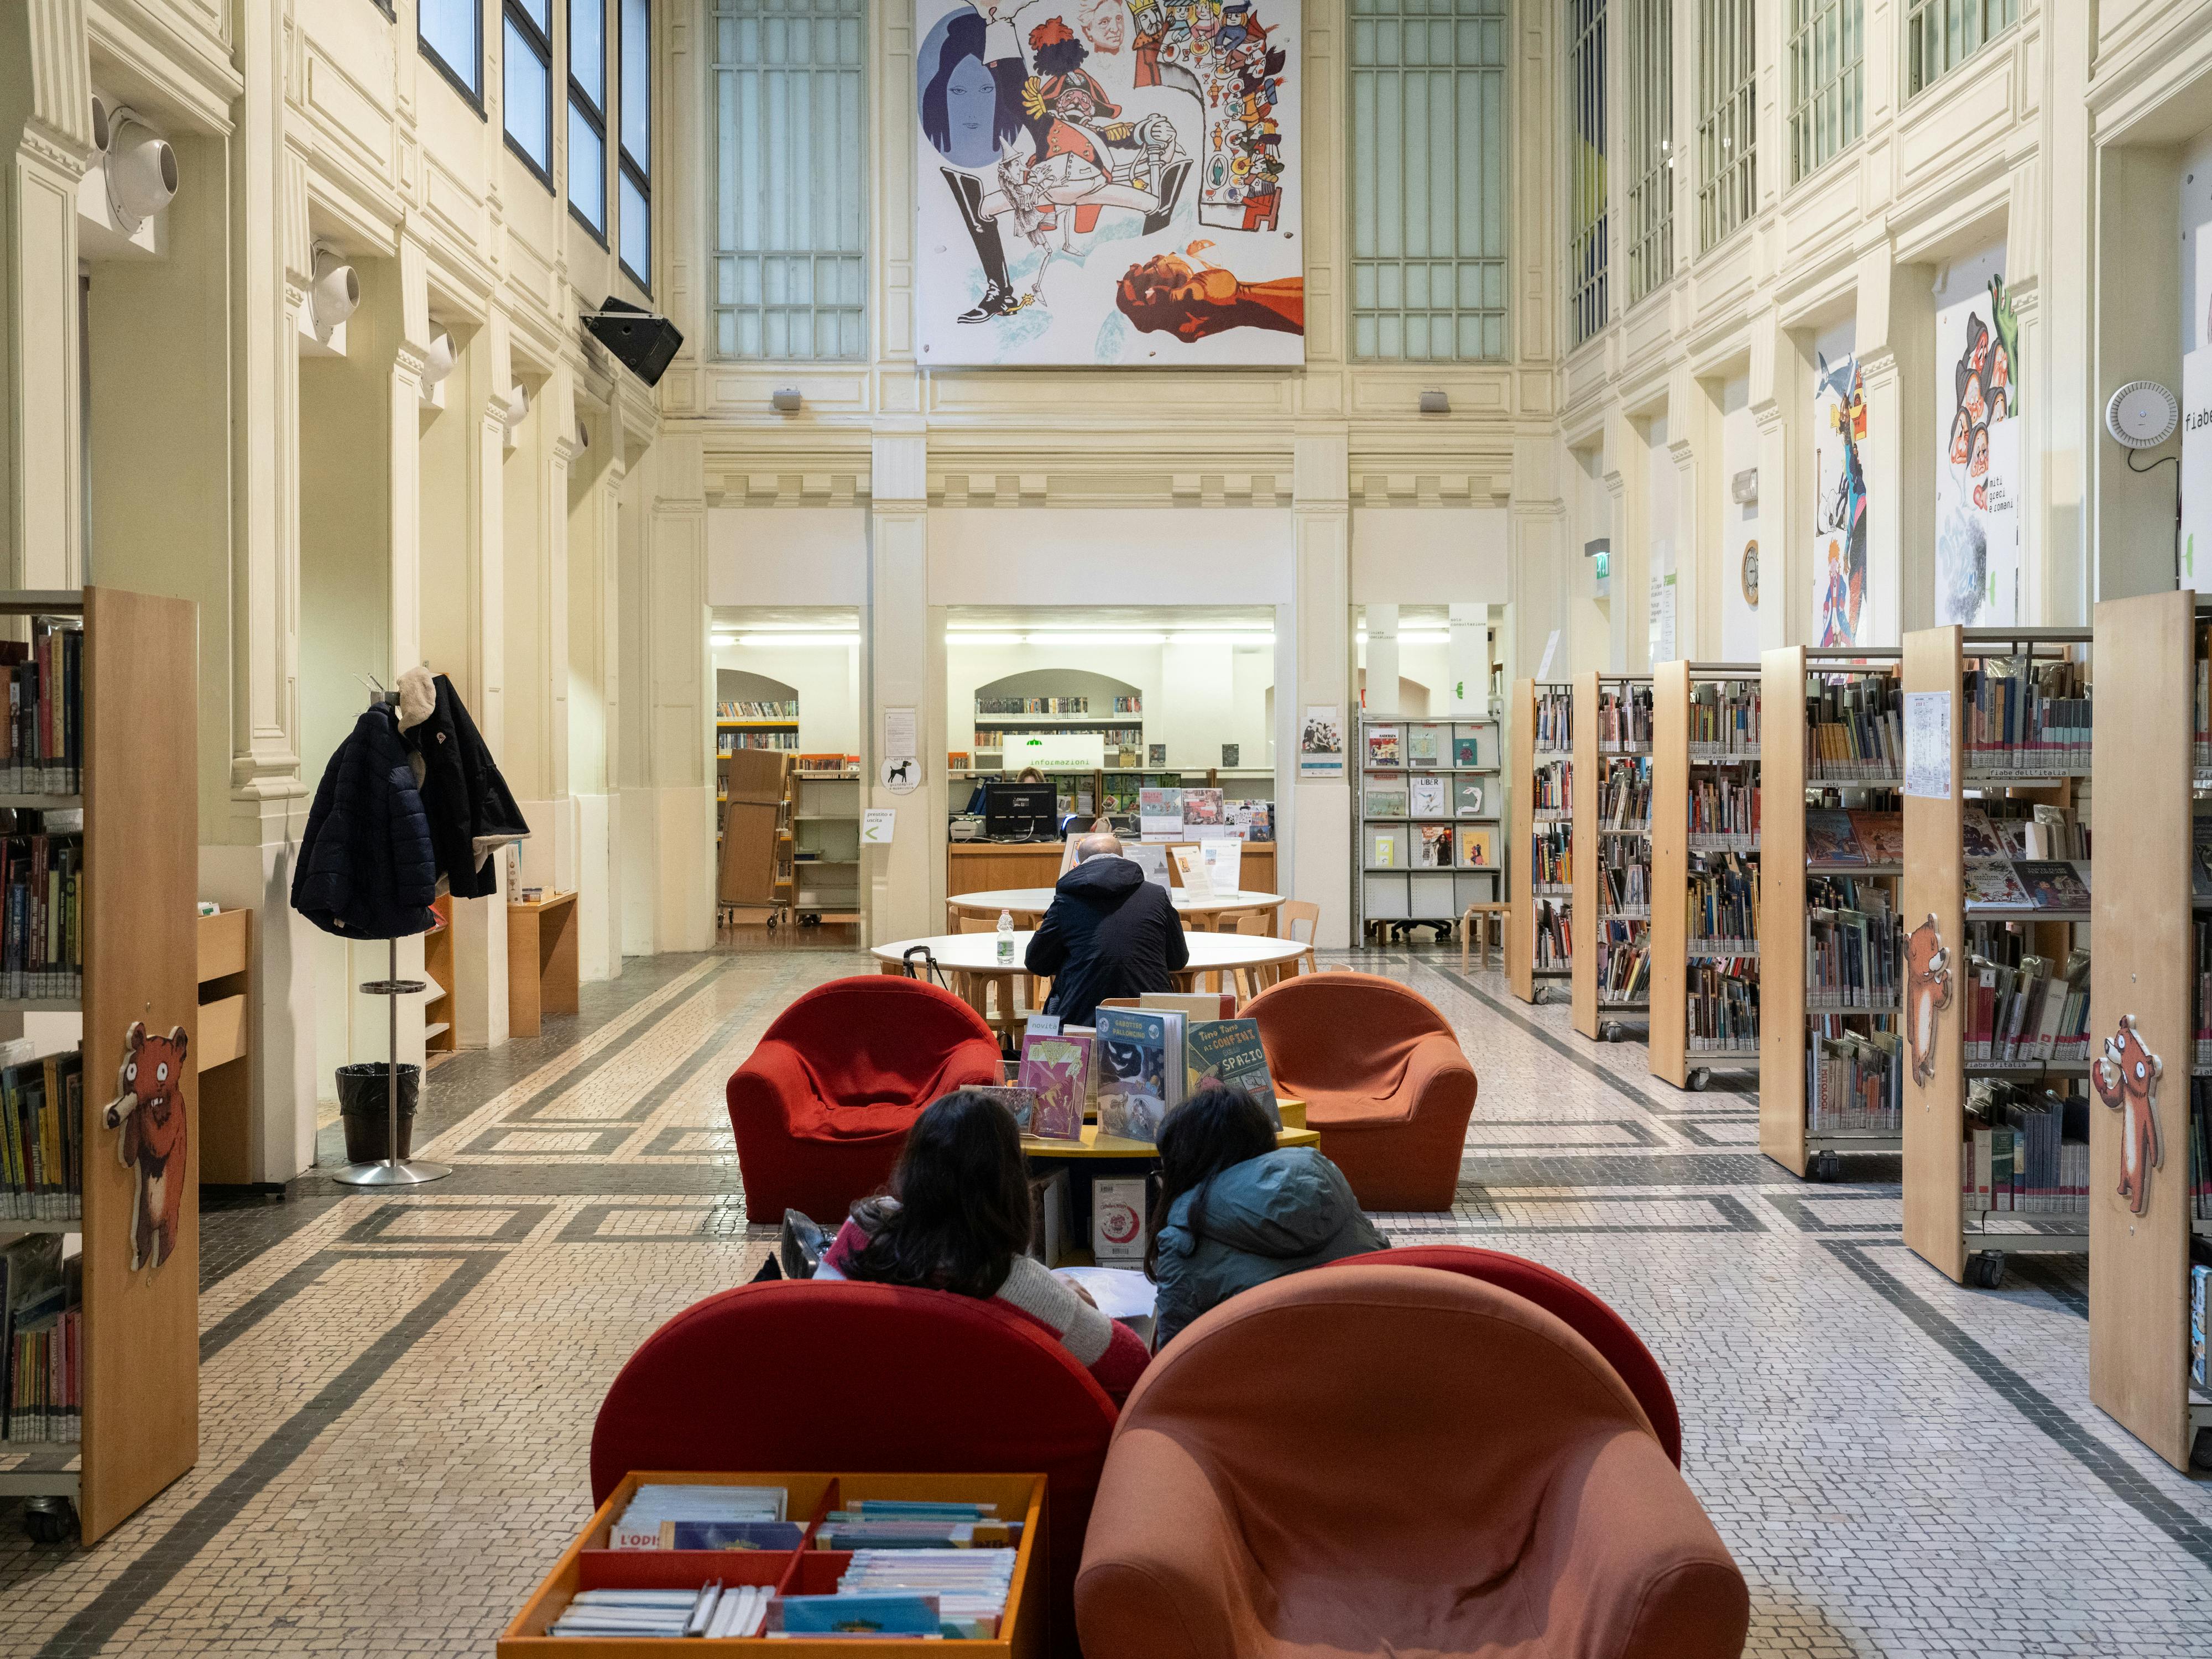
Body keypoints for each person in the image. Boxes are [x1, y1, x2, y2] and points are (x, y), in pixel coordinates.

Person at [817, 1091, 1151, 1403]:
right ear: (1012, 1183)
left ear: (913, 1167)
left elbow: (814, 1328)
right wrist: (1061, 1294)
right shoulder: (1026, 1288)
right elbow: (1134, 1366)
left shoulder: (864, 1230)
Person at [1144, 1086, 1387, 1350]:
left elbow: (1173, 1364)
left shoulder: (1184, 1237)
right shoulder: (1327, 1182)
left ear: (1187, 1166)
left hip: (1257, 1385)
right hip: (1370, 1366)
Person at [1025, 831, 1187, 1026]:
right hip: (1152, 1021)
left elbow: (1036, 963)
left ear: (1079, 863)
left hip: (1083, 1022)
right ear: (1123, 858)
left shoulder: (1066, 902)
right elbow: (1178, 960)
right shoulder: (1157, 896)